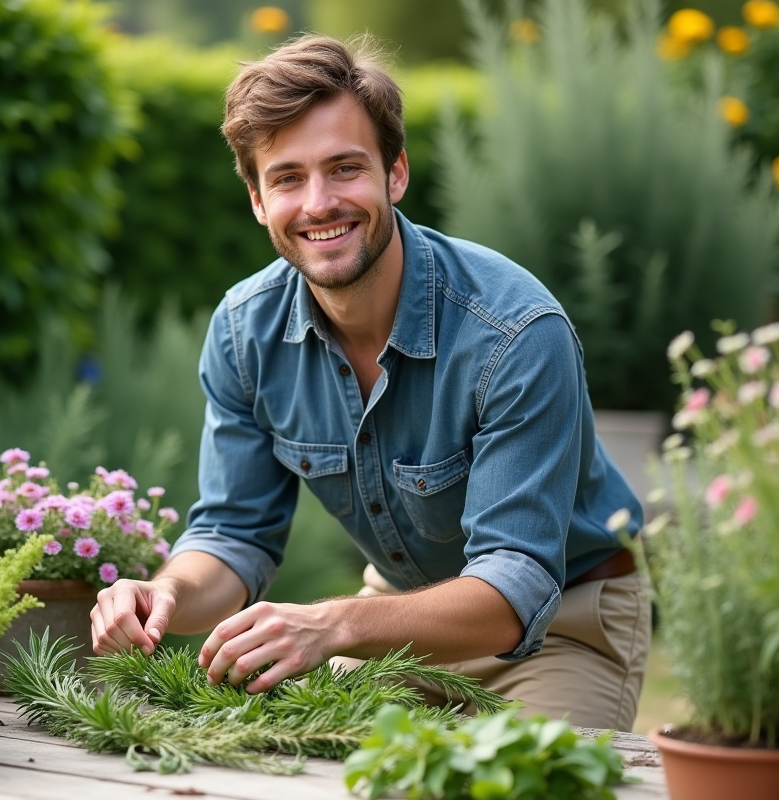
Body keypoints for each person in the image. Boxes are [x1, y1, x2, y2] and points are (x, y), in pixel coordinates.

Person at [91, 33, 651, 731]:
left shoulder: (515, 332)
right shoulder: (244, 333)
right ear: (259, 200)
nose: (319, 202)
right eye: (288, 177)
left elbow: (516, 586)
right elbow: (234, 535)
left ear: (396, 174)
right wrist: (164, 591)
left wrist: (332, 625)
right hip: (394, 621)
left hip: (563, 624)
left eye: (345, 168)